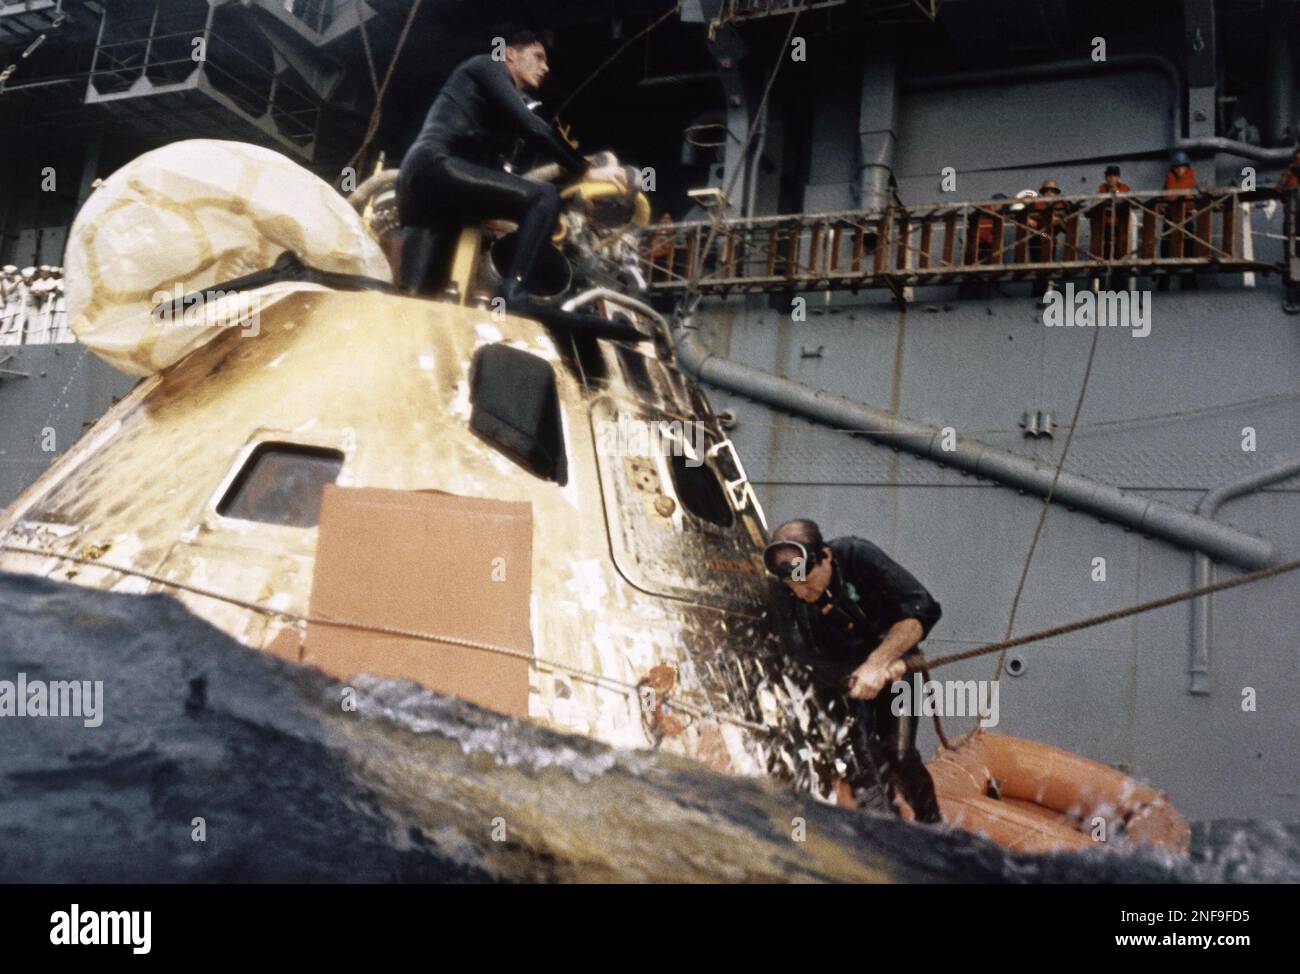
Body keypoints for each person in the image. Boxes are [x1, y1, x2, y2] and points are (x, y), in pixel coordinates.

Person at [397, 27, 629, 327]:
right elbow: (532, 126)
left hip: (425, 188)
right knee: (544, 197)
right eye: (538, 56)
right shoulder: (487, 65)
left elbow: (495, 171)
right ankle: (514, 293)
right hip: (436, 165)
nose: (545, 67)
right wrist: (585, 169)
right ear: (510, 53)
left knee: (419, 300)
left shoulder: (491, 112)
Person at [765, 518, 944, 824]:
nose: (801, 591)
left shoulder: (857, 556)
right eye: (792, 585)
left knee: (899, 755)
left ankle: (933, 824)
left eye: (806, 580)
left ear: (827, 558)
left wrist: (880, 663)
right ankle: (888, 833)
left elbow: (923, 607)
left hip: (894, 663)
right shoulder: (788, 593)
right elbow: (800, 653)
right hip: (843, 681)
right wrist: (854, 678)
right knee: (865, 766)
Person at [1160, 150, 1201, 287]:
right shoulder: (1167, 183)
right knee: (1165, 250)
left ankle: (1189, 282)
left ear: (1186, 167)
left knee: (1189, 250)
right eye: (1176, 167)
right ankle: (1163, 281)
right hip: (1170, 220)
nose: (1179, 170)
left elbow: (1197, 200)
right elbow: (1162, 201)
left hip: (1186, 219)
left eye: (1182, 167)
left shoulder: (1192, 182)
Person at [1093, 164, 1132, 260]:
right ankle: (1105, 263)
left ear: (1118, 178)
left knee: (1120, 244)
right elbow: (1096, 202)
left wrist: (1117, 192)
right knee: (1106, 244)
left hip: (1121, 222)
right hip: (1106, 221)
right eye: (1108, 176)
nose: (1111, 179)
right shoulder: (1102, 187)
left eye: (1113, 176)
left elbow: (1128, 201)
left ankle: (1119, 265)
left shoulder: (1124, 187)